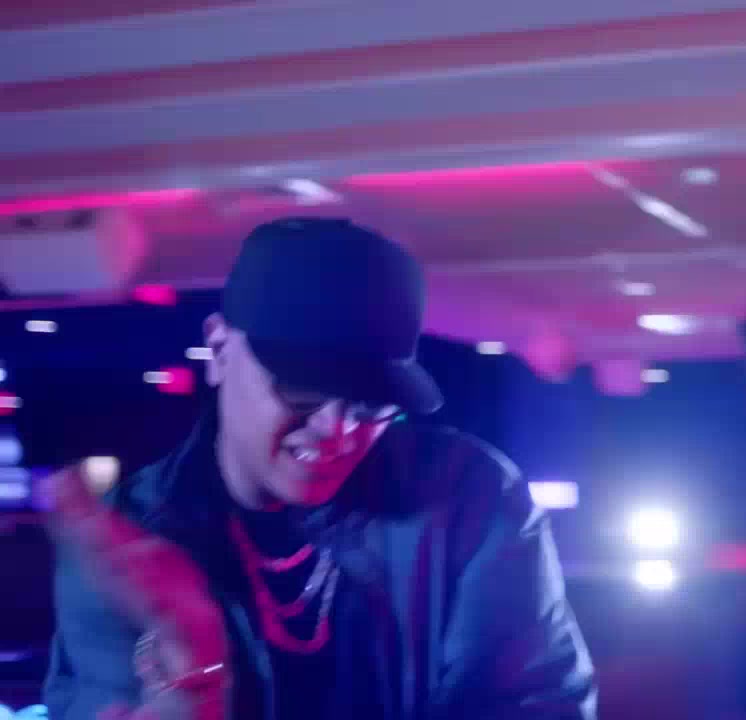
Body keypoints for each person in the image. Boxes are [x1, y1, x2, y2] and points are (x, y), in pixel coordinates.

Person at [43, 217, 598, 720]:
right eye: (302, 390)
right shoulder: (129, 540)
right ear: (219, 349)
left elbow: (536, 705)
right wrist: (192, 678)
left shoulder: (468, 496)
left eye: (369, 403)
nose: (336, 429)